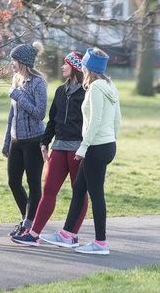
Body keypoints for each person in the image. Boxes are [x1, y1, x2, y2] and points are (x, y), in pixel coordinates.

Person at [42, 47, 121, 255]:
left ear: (88, 67)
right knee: (78, 188)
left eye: (84, 64)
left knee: (96, 195)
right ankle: (67, 234)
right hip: (106, 144)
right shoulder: (110, 85)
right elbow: (117, 118)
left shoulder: (95, 88)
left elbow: (94, 120)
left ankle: (101, 243)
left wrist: (84, 148)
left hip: (96, 146)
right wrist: (111, 139)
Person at [10, 51, 89, 246]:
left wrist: (86, 147)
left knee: (78, 192)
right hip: (59, 147)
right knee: (48, 190)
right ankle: (33, 233)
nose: (62, 67)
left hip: (78, 149)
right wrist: (45, 142)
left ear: (76, 68)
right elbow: (52, 120)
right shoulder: (60, 92)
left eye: (66, 64)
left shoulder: (86, 93)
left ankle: (71, 234)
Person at [2, 42, 47, 237]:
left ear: (24, 62)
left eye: (14, 60)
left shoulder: (38, 83)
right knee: (13, 181)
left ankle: (29, 223)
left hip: (34, 140)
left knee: (34, 183)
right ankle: (25, 217)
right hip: (16, 140)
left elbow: (40, 113)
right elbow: (11, 115)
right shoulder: (16, 80)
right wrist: (6, 143)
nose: (11, 63)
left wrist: (19, 96)